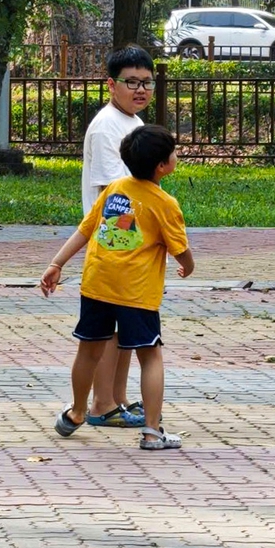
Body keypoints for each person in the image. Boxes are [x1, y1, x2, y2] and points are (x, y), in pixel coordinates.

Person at [40, 124, 194, 451]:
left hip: (97, 284)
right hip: (136, 293)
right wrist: (188, 266)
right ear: (162, 166)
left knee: (89, 350)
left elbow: (85, 230)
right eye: (173, 152)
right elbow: (180, 249)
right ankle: (152, 432)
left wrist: (57, 263)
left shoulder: (114, 189)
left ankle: (77, 412)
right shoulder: (165, 203)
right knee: (150, 356)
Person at [78, 46, 156, 427]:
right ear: (111, 84)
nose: (139, 90)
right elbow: (116, 194)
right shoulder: (108, 125)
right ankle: (100, 405)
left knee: (125, 328)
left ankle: (119, 399)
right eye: (131, 82)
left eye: (146, 82)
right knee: (108, 331)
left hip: (132, 247)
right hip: (115, 244)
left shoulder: (134, 123)